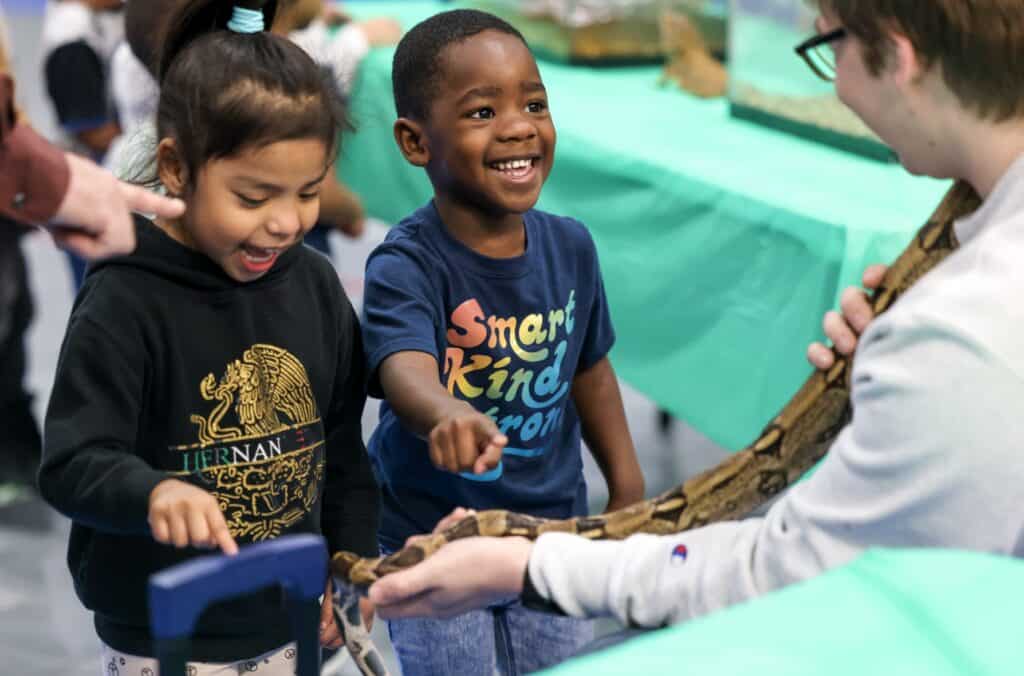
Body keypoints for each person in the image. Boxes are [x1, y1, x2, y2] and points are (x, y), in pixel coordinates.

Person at [365, 0, 1024, 638]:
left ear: (899, 58)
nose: (840, 91)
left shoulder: (956, 333)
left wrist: (524, 561)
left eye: (828, 47)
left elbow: (781, 572)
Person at [37, 2, 380, 673]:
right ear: (175, 167)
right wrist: (153, 492)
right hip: (163, 642)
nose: (286, 222)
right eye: (253, 198)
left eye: (308, 192)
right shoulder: (124, 298)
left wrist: (350, 561)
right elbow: (74, 463)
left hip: (297, 621)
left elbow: (343, 454)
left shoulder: (313, 286)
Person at [359, 9, 645, 674]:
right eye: (482, 112)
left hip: (553, 531)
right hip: (434, 537)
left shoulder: (571, 245)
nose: (519, 125)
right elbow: (403, 367)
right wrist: (445, 411)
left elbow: (589, 367)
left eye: (534, 103)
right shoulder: (406, 263)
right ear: (415, 141)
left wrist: (628, 485)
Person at [41, 0, 127, 289]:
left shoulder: (99, 18)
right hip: (88, 186)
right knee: (99, 290)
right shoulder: (72, 32)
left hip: (99, 180)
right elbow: (91, 131)